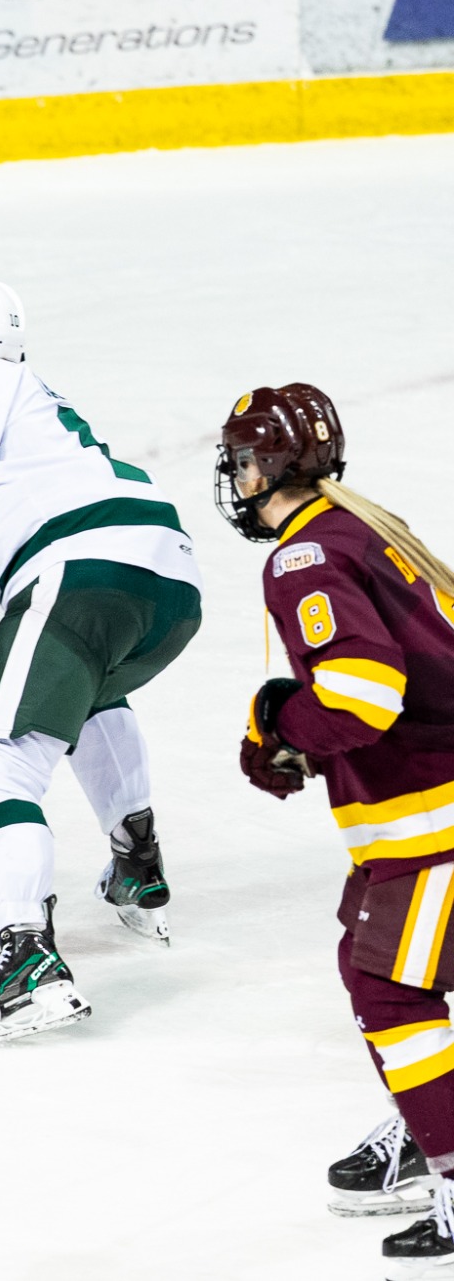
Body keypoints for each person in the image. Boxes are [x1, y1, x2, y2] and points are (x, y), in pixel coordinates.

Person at [0, 278, 203, 1047]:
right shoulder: (30, 398)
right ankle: (138, 863)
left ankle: (29, 960)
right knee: (91, 697)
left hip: (78, 568)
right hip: (170, 583)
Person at [222, 383, 454, 1273]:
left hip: (429, 817)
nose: (235, 477)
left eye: (242, 460)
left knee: (391, 988)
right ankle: (426, 1112)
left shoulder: (303, 555)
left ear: (270, 466)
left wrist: (285, 729)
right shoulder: (368, 529)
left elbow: (364, 693)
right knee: (382, 965)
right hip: (426, 806)